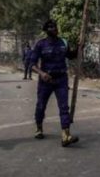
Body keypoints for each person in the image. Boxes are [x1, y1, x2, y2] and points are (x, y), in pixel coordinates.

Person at [30, 19, 78, 147]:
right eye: (51, 27)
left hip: (61, 79)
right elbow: (32, 65)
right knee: (41, 105)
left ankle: (65, 135)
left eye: (55, 26)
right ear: (46, 31)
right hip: (46, 81)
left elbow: (71, 56)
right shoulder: (40, 44)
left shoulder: (63, 42)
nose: (55, 28)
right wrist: (42, 73)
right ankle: (39, 127)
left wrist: (79, 47)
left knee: (64, 107)